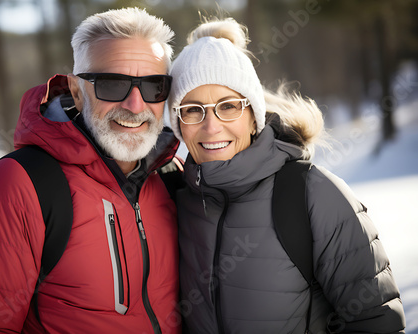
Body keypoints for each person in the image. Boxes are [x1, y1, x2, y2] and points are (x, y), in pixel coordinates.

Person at [0, 7, 181, 334]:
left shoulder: (172, 176)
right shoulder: (18, 185)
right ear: (75, 91)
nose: (136, 106)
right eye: (112, 85)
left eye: (154, 86)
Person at [168, 17, 406, 333]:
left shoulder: (313, 194)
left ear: (253, 116)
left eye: (228, 107)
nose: (211, 126)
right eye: (193, 110)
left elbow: (376, 322)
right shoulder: (176, 201)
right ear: (178, 125)